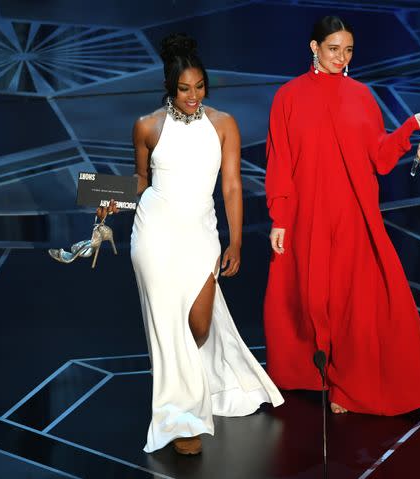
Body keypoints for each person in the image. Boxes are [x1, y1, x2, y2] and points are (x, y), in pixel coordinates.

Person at [100, 33, 283, 456]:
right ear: (170, 87)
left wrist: (235, 240)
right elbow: (140, 183)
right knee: (167, 327)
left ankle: (197, 386)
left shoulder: (223, 124)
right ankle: (180, 418)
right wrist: (108, 200)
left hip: (201, 235)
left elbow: (233, 187)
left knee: (198, 324)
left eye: (200, 87)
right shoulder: (146, 126)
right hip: (154, 235)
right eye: (185, 89)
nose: (193, 96)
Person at [263, 16, 420, 415]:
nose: (341, 57)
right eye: (333, 49)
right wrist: (281, 216)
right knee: (308, 296)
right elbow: (280, 161)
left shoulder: (361, 96)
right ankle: (313, 374)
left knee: (348, 297)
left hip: (353, 211)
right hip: (306, 213)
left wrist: (410, 125)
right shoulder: (288, 96)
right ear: (314, 47)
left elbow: (379, 155)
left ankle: (346, 383)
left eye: (349, 50)